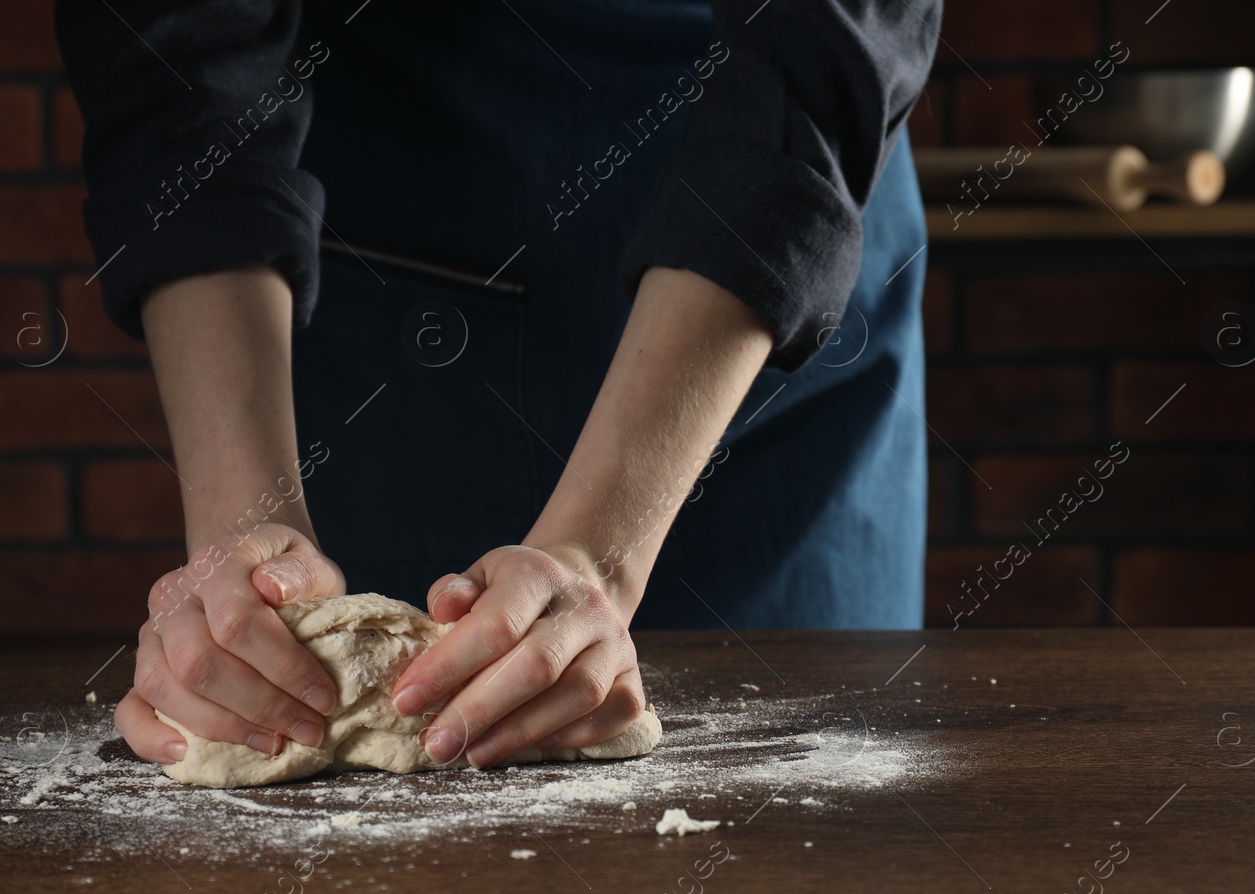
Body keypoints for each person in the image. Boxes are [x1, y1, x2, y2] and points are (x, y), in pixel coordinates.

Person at [54, 0, 939, 773]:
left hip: (777, 270)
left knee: (794, 863)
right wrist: (245, 535)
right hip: (403, 286)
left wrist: (597, 551)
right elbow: (182, 54)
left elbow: (822, 42)